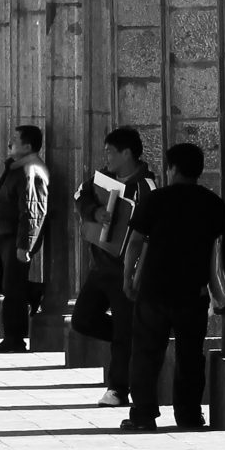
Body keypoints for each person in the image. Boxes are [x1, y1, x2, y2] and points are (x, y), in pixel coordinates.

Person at [120, 138, 225, 433]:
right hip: (193, 292)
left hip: (154, 289)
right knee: (190, 355)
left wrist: (128, 278)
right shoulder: (213, 203)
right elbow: (219, 250)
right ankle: (189, 413)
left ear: (172, 168)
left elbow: (134, 242)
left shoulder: (155, 200)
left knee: (145, 353)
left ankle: (143, 414)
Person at [71, 127, 154, 406]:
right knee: (83, 318)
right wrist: (94, 212)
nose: (106, 156)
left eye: (110, 151)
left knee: (123, 329)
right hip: (100, 265)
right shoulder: (100, 179)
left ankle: (118, 389)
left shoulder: (146, 186)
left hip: (125, 268)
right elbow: (80, 195)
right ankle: (132, 340)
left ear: (127, 153)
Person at [0, 125, 51, 353]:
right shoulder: (17, 167)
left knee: (13, 290)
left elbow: (32, 211)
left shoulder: (30, 170)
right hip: (4, 235)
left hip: (16, 237)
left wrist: (25, 245)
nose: (9, 143)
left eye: (15, 140)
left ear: (28, 146)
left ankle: (14, 339)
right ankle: (33, 292)